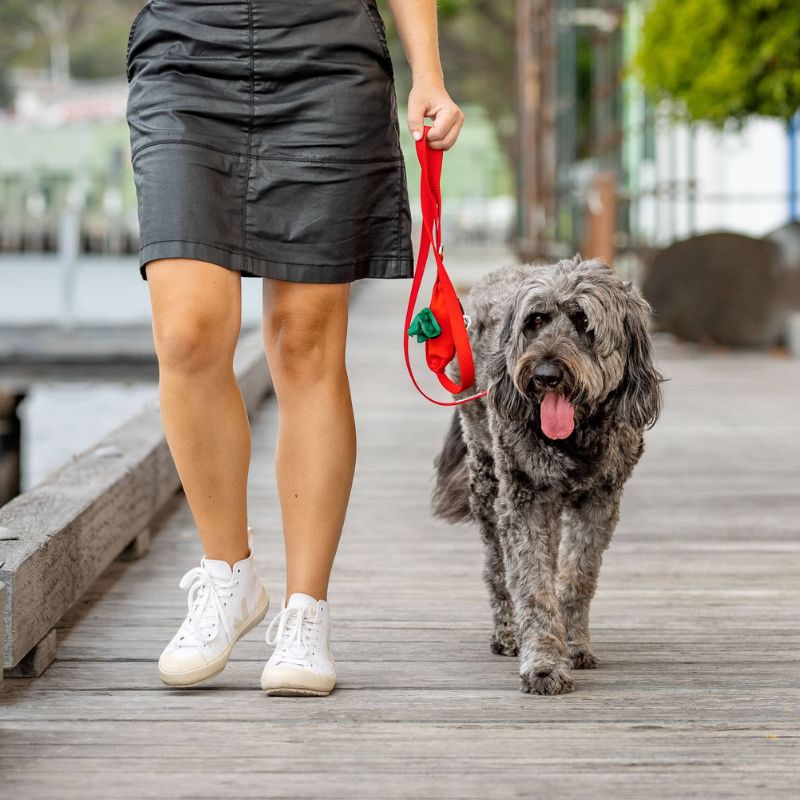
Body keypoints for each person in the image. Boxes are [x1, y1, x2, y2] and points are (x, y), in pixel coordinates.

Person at [124, 0, 464, 695]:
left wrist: (428, 71)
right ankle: (229, 577)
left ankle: (306, 611)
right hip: (186, 55)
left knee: (306, 339)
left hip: (326, 58)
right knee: (187, 331)